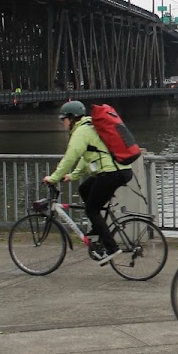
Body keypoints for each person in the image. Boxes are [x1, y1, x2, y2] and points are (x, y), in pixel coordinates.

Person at [44, 101, 133, 264]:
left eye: (63, 119)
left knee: (92, 209)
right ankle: (97, 229)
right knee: (84, 189)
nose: (62, 123)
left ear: (72, 118)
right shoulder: (90, 127)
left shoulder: (81, 132)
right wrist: (73, 176)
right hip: (119, 170)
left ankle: (112, 248)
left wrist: (53, 178)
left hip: (111, 173)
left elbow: (70, 158)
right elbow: (86, 157)